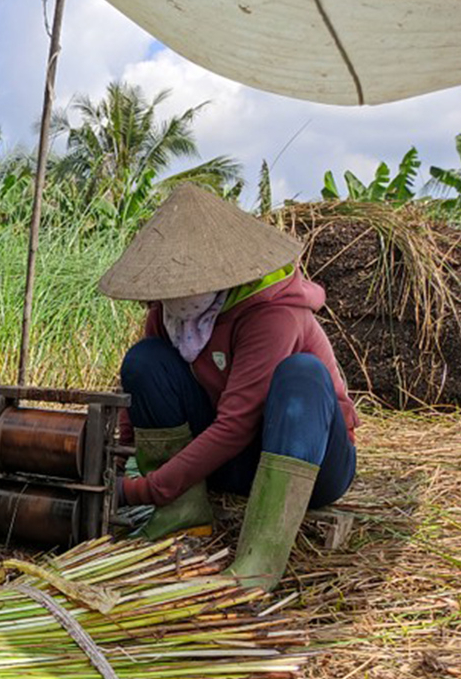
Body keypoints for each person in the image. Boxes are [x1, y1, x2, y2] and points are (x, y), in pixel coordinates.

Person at [102, 184, 358, 591]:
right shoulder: (172, 315)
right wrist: (112, 464)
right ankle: (182, 516)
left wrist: (144, 490)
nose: (173, 295)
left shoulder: (273, 314)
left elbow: (236, 425)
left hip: (306, 462)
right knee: (144, 358)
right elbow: (143, 393)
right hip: (231, 465)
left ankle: (258, 563)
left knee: (303, 375)